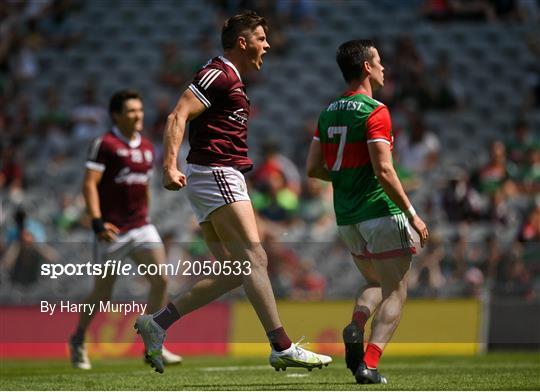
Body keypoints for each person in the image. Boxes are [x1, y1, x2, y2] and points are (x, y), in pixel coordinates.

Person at [134, 11, 331, 374]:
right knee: (255, 260)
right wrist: (168, 167)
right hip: (216, 172)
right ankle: (282, 346)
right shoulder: (219, 73)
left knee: (236, 270)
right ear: (243, 43)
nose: (268, 45)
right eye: (261, 38)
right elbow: (178, 115)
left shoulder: (233, 80)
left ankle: (157, 322)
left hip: (214, 175)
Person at [306, 40, 429, 384]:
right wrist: (412, 213)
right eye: (379, 61)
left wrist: (347, 177)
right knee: (396, 290)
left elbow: (313, 168)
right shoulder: (375, 111)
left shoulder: (328, 111)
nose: (384, 67)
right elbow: (385, 171)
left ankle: (356, 324)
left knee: (374, 281)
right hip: (380, 211)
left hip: (347, 217)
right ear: (366, 68)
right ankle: (369, 365)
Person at [69, 90, 182, 370]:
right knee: (102, 295)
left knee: (161, 281)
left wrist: (146, 214)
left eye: (140, 110)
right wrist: (96, 221)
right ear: (116, 115)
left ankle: (152, 344)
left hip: (141, 226)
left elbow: (143, 187)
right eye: (131, 111)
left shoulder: (146, 146)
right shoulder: (104, 144)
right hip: (111, 231)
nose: (138, 115)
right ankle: (78, 339)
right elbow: (89, 184)